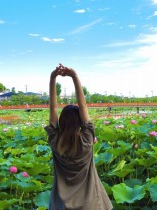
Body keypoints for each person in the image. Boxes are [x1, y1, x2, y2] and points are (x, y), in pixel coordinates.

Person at [44, 64, 113, 210]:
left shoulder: (55, 141)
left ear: (61, 122)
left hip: (61, 205)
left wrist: (52, 78)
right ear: (81, 122)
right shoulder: (86, 140)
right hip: (91, 204)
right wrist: (74, 76)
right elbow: (83, 106)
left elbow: (53, 108)